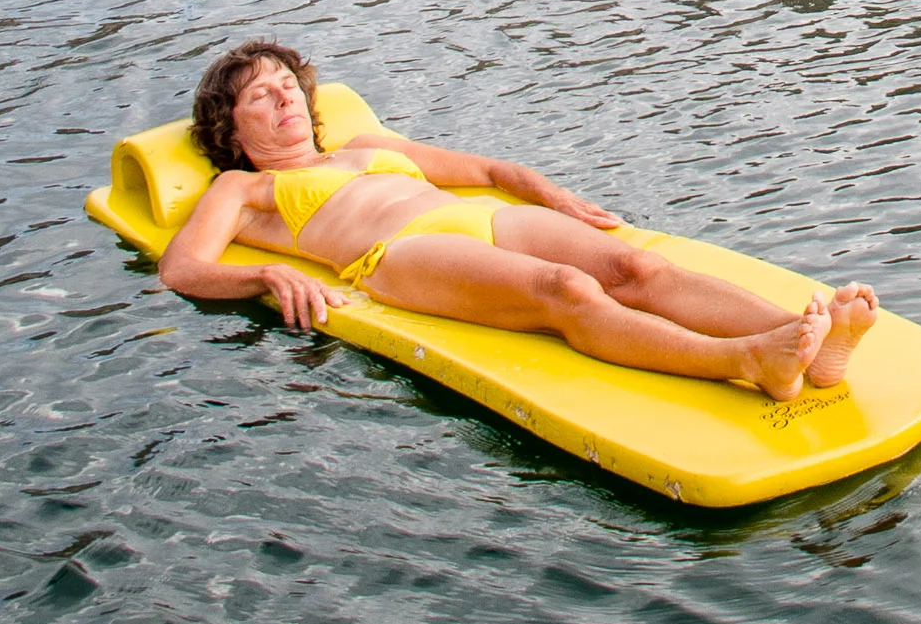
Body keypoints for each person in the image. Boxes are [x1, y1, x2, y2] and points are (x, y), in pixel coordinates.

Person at [158, 40, 881, 403]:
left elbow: (491, 174)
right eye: (261, 96)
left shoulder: (367, 146)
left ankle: (809, 344)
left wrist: (556, 197)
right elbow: (182, 268)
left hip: (476, 218)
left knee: (634, 267)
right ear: (231, 126)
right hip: (399, 256)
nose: (283, 98)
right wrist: (267, 272)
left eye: (288, 85)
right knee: (566, 290)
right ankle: (749, 360)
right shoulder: (241, 189)